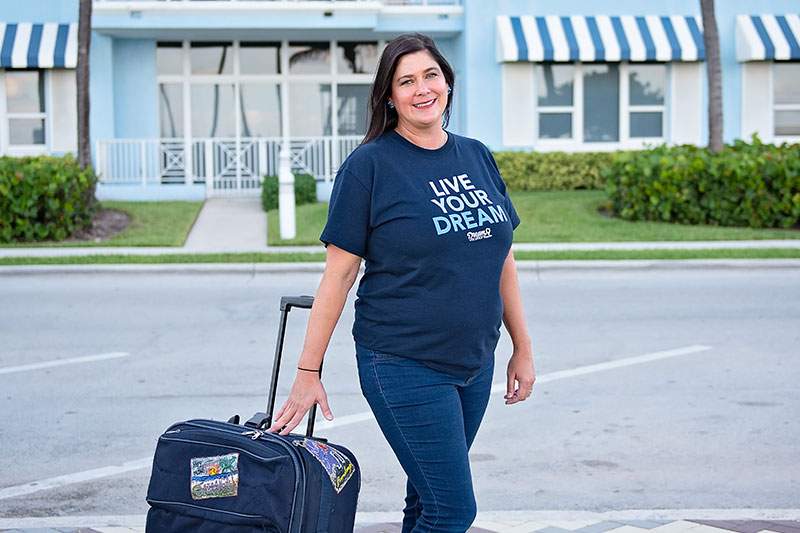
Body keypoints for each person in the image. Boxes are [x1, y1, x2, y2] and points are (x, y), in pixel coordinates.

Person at [267, 32, 536, 533]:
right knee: (454, 511)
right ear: (389, 97)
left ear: (447, 83)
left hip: (474, 364)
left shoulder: (476, 156)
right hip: (404, 363)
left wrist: (522, 346)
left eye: (430, 75)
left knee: (427, 502)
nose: (421, 89)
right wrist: (308, 371)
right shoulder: (370, 167)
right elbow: (339, 277)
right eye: (405, 81)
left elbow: (503, 259)